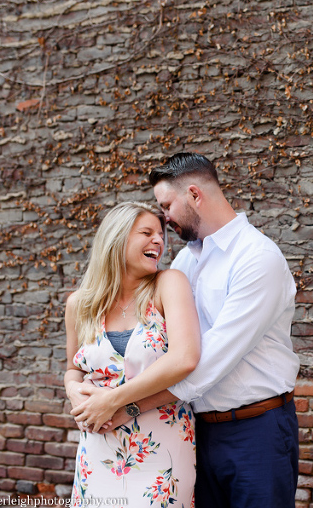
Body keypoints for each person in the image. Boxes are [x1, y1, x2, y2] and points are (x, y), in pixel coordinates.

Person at [149, 152, 300, 508]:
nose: (163, 218)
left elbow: (212, 357)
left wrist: (130, 405)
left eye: (167, 205)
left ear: (194, 194)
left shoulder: (257, 256)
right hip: (196, 430)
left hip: (256, 430)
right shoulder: (185, 261)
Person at [64, 201, 201, 508]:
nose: (159, 241)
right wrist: (72, 390)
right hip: (97, 446)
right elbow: (73, 368)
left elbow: (185, 359)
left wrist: (112, 400)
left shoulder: (168, 284)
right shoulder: (79, 304)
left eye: (161, 234)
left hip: (161, 446)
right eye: (147, 232)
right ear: (117, 238)